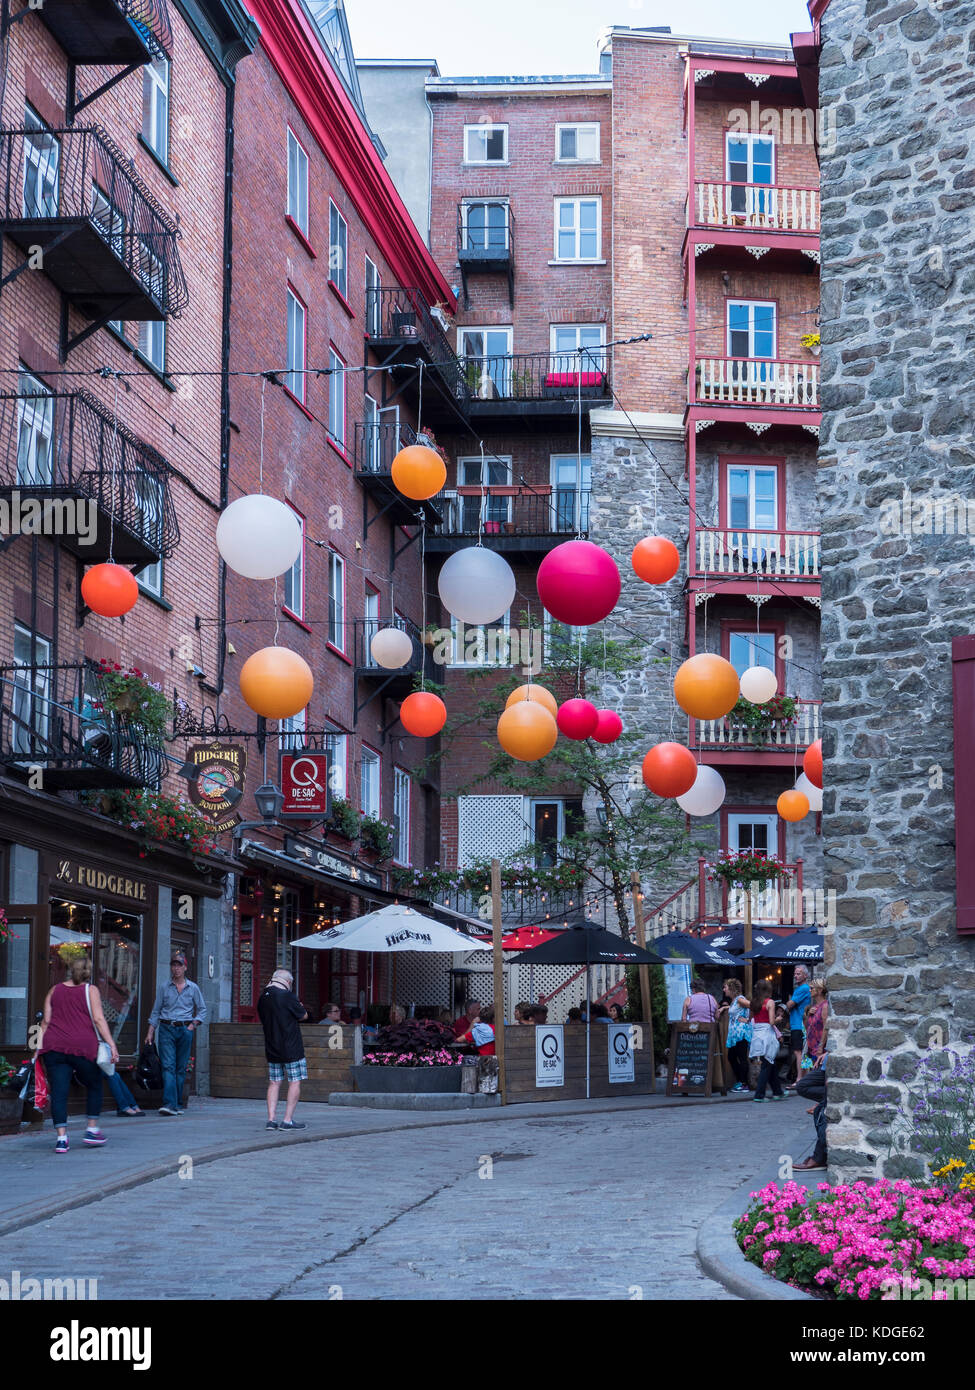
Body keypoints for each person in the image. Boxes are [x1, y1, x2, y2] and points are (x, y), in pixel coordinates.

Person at [38, 955, 119, 1153]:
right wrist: (112, 1045)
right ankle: (91, 1130)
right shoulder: (90, 990)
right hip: (83, 1047)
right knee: (94, 1083)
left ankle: (62, 1139)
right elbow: (99, 1019)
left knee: (59, 1092)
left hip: (54, 1046)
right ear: (88, 973)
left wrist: (37, 1048)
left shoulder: (54, 990)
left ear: (70, 970)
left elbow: (46, 1022)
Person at [146, 953, 207, 1116]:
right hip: (166, 1028)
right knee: (168, 1066)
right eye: (174, 965)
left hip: (185, 1030)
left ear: (185, 968)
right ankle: (169, 1104)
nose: (176, 968)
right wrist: (150, 1032)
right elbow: (156, 1011)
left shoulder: (193, 988)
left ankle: (178, 1104)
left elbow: (202, 1009)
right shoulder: (164, 987)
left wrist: (193, 1026)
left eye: (179, 965)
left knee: (180, 1068)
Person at [257, 968, 309, 1131]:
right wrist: (298, 1006)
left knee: (274, 1082)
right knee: (294, 1081)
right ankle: (287, 1120)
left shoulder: (263, 998)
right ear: (287, 982)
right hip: (291, 1047)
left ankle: (271, 1120)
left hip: (272, 1046)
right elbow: (303, 1015)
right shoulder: (287, 996)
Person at [795, 979, 829, 1170]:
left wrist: (822, 1048)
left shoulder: (825, 1007)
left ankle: (819, 1157)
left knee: (819, 1110)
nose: (810, 990)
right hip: (815, 1052)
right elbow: (808, 1027)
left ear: (820, 990)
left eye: (812, 988)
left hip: (821, 1053)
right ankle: (825, 1098)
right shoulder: (814, 1007)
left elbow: (826, 1028)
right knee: (806, 1090)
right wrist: (808, 1014)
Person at [749, 980, 784, 1102]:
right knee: (767, 1065)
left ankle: (777, 1091)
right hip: (767, 1034)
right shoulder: (770, 1002)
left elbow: (751, 1019)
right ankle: (759, 1095)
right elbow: (771, 1021)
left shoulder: (753, 1002)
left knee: (770, 1063)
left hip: (757, 1033)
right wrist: (778, 1019)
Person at [717, 977, 752, 1093]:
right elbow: (734, 1009)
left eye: (725, 987)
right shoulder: (735, 1000)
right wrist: (725, 1007)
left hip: (741, 1032)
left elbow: (753, 1006)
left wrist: (748, 1020)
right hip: (735, 1034)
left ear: (731, 988)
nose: (724, 990)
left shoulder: (740, 999)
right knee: (732, 1057)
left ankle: (744, 1084)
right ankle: (740, 1081)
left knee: (741, 1058)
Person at [783, 965, 812, 1088]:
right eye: (795, 973)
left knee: (798, 1052)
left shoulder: (802, 988)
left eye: (799, 973)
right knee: (803, 1052)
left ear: (805, 975)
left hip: (798, 1024)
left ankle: (800, 1079)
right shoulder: (802, 988)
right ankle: (805, 1079)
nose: (796, 976)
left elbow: (789, 1005)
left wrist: (788, 1003)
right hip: (799, 1024)